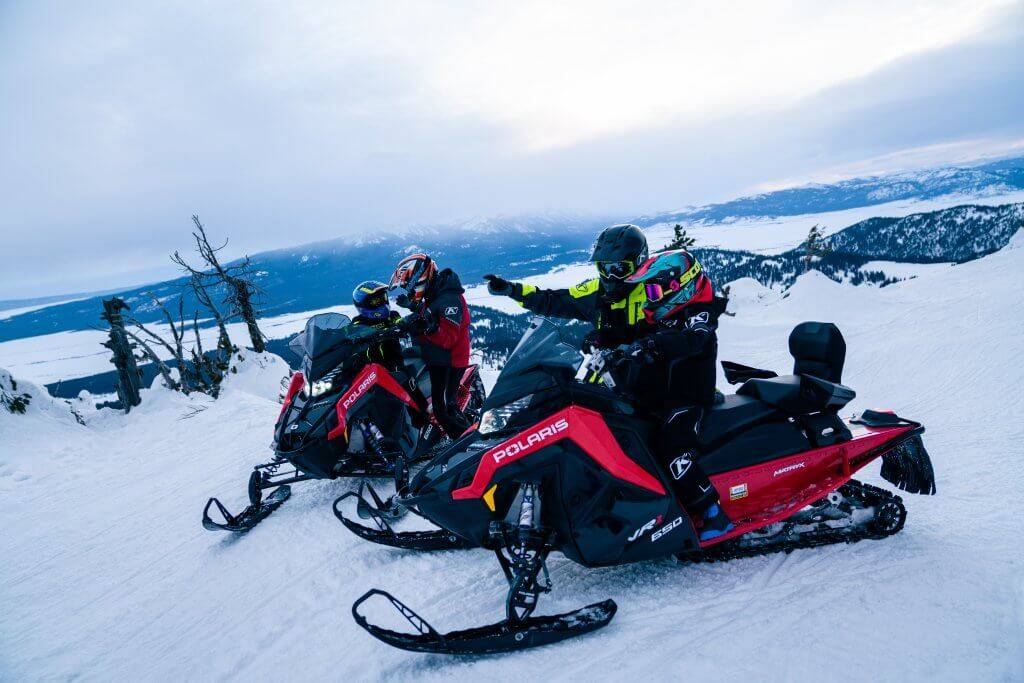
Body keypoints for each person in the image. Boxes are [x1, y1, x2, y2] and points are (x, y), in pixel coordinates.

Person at [484, 225, 732, 540]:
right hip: (633, 385)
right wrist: (513, 290)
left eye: (619, 269)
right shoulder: (614, 292)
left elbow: (684, 337)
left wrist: (644, 346)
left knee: (671, 448)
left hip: (678, 392)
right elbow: (558, 301)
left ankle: (711, 512)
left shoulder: (672, 299)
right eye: (605, 268)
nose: (611, 276)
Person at [389, 253, 472, 440]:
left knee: (444, 409)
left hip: (449, 360)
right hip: (436, 355)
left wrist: (428, 327)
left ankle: (469, 443)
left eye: (408, 285)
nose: (407, 289)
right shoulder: (436, 291)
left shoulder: (450, 299)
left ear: (421, 278)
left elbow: (448, 339)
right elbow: (430, 311)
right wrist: (413, 308)